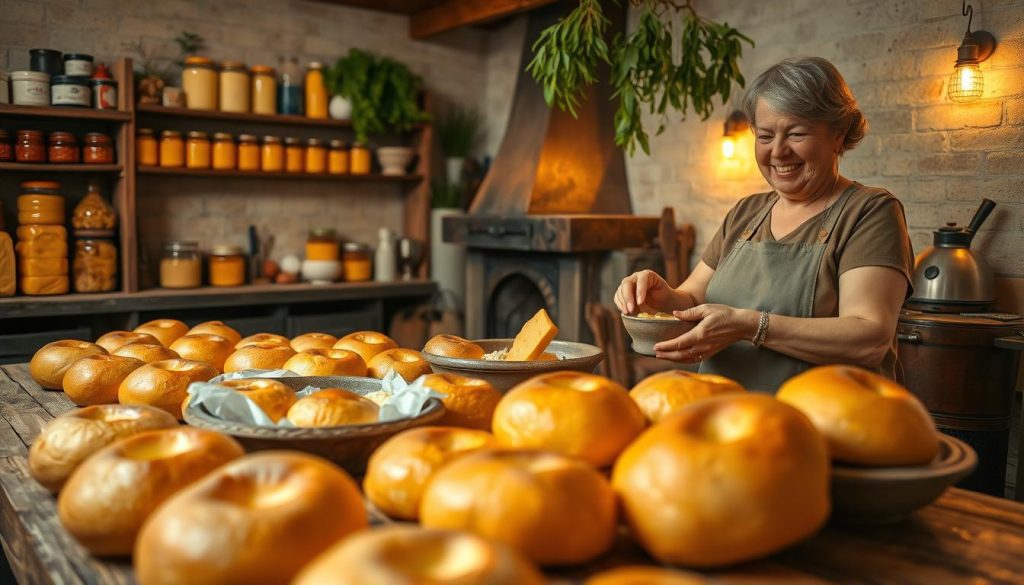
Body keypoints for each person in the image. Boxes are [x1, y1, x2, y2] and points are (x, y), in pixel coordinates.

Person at [614, 57, 914, 393]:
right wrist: (661, 295)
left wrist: (750, 326)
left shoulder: (869, 212)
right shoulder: (747, 212)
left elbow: (869, 337)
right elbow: (692, 300)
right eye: (766, 136)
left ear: (838, 136)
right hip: (726, 419)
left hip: (822, 428)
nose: (778, 151)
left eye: (797, 133)